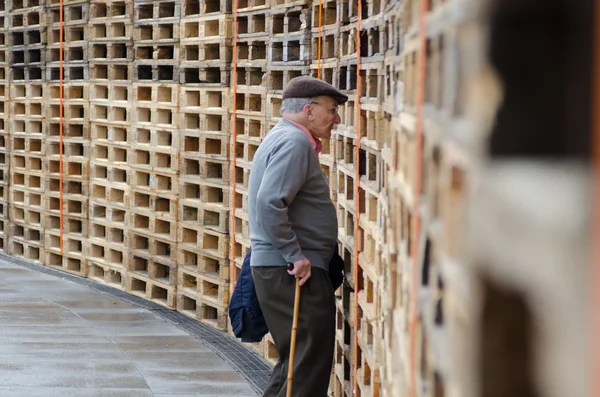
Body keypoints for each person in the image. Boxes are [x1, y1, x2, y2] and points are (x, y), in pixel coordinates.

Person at [248, 75, 348, 397]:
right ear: (309, 110)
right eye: (332, 109)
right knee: (308, 366)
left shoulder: (284, 137)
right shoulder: (294, 142)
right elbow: (269, 202)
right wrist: (297, 256)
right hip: (293, 272)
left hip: (284, 268)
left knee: (295, 364)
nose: (337, 118)